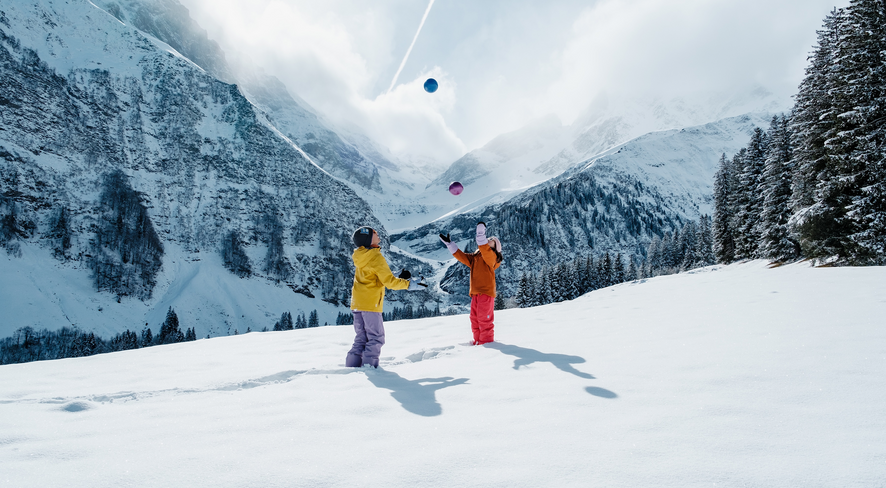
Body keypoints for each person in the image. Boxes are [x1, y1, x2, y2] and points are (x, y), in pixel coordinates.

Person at [347, 226, 426, 368]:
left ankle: (351, 367)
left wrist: (395, 275)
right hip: (371, 304)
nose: (378, 234)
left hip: (357, 303)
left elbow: (374, 274)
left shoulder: (361, 256)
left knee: (361, 338)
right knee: (376, 338)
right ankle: (370, 368)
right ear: (369, 239)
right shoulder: (375, 257)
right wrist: (410, 285)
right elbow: (389, 282)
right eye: (374, 233)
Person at [439, 222, 503, 345]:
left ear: (495, 247)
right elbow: (462, 257)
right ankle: (478, 342)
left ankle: (487, 344)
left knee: (484, 320)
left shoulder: (492, 256)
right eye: (488, 238)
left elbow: (484, 247)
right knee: (474, 320)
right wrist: (450, 244)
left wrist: (480, 234)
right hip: (475, 294)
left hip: (486, 293)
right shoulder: (476, 257)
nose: (489, 239)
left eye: (492, 240)